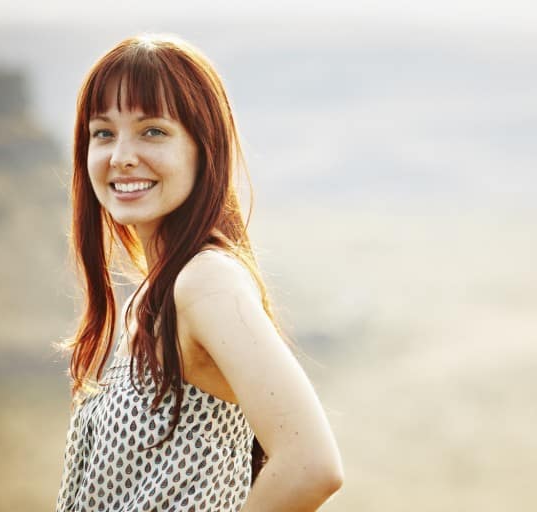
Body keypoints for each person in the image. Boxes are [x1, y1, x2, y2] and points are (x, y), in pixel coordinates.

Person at [54, 34, 344, 512]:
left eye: (153, 131)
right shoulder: (153, 291)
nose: (121, 155)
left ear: (204, 148)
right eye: (103, 133)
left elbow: (311, 465)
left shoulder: (205, 281)